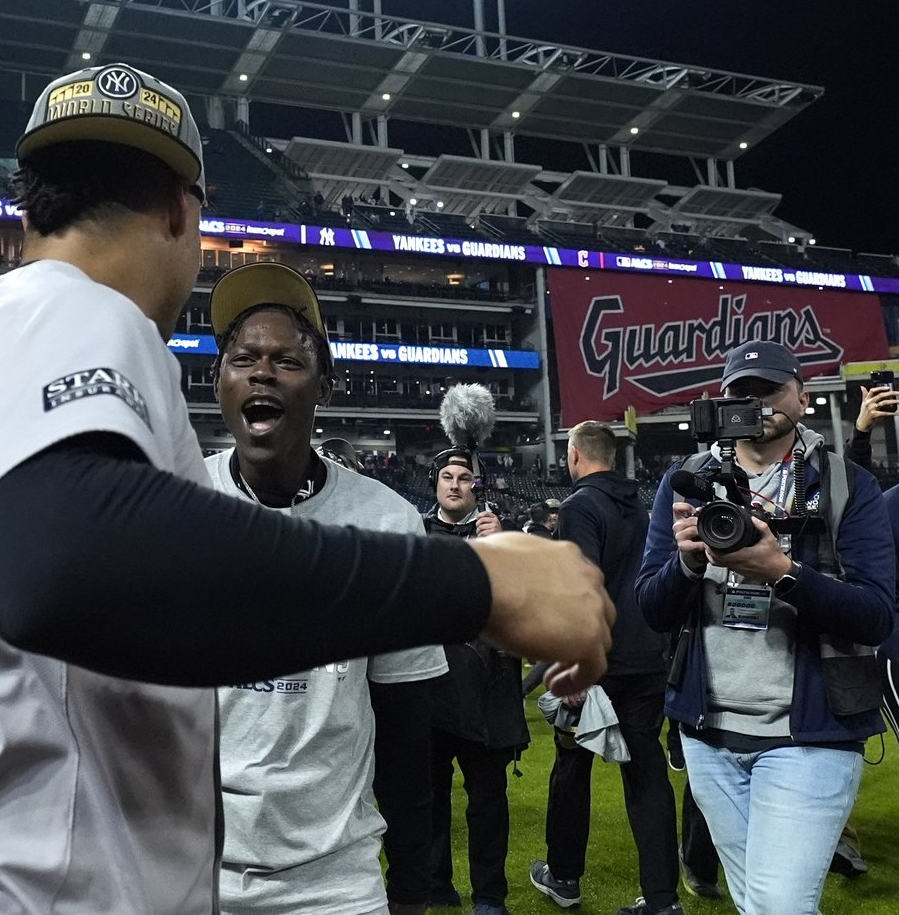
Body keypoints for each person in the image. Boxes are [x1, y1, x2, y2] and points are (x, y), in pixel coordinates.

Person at [0, 62, 614, 913]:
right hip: (10, 887)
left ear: (31, 205)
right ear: (180, 209)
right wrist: (479, 582)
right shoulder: (74, 310)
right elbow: (64, 562)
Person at [207, 262, 449, 914]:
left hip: (335, 882)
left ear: (325, 387)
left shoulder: (388, 522)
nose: (262, 371)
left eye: (288, 360)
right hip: (192, 870)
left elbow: (406, 732)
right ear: (218, 382)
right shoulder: (177, 501)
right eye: (244, 358)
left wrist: (411, 893)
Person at [637, 340, 895, 915]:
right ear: (721, 403)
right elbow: (651, 610)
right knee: (758, 899)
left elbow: (876, 615)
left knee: (778, 904)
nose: (755, 402)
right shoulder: (685, 482)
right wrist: (686, 564)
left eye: (769, 389)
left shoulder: (845, 484)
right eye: (741, 392)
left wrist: (783, 573)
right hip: (708, 735)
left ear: (802, 398)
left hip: (812, 733)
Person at [529, 421, 680, 915]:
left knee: (572, 765)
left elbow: (582, 587)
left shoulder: (578, 506)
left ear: (574, 455)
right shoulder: (643, 503)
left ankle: (564, 877)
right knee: (647, 774)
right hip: (648, 658)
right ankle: (662, 899)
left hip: (599, 661)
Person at [377, 450, 527, 915]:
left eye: (465, 477)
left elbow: (525, 610)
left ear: (477, 487)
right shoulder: (412, 531)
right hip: (424, 690)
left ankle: (489, 895)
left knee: (487, 804)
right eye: (447, 476)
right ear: (435, 483)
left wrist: (503, 548)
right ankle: (435, 884)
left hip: (487, 692)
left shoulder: (505, 537)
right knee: (428, 801)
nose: (456, 484)